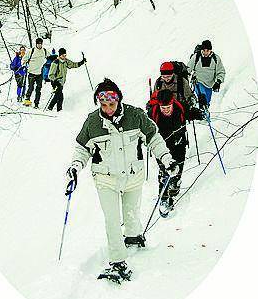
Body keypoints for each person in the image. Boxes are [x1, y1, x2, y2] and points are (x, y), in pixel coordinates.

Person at [65, 78, 178, 281]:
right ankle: (118, 262)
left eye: (112, 104)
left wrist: (166, 158)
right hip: (105, 178)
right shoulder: (93, 122)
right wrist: (75, 167)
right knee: (112, 220)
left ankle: (133, 237)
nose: (108, 109)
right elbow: (82, 149)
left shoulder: (135, 116)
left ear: (119, 100)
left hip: (133, 176)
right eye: (103, 104)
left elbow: (154, 138)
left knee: (131, 212)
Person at [147, 89, 204, 217]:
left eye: (168, 107)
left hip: (179, 145)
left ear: (172, 103)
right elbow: (145, 127)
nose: (165, 110)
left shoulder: (180, 108)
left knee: (177, 170)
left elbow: (192, 113)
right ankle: (163, 198)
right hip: (161, 148)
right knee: (164, 172)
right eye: (163, 107)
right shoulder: (153, 113)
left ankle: (174, 186)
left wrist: (200, 113)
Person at [187, 39, 225, 109]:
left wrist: (218, 82)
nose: (205, 52)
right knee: (202, 98)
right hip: (198, 82)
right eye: (204, 50)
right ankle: (201, 113)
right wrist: (185, 77)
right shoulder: (196, 57)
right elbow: (188, 69)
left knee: (206, 103)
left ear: (211, 50)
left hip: (209, 85)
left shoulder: (216, 58)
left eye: (207, 50)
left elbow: (221, 72)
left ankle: (205, 116)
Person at [22, 38, 47, 108]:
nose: (39, 45)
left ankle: (36, 104)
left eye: (40, 44)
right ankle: (27, 100)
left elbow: (49, 56)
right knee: (31, 88)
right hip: (31, 73)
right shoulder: (31, 51)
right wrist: (24, 65)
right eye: (38, 44)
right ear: (36, 44)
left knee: (38, 89)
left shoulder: (44, 51)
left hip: (39, 73)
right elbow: (23, 59)